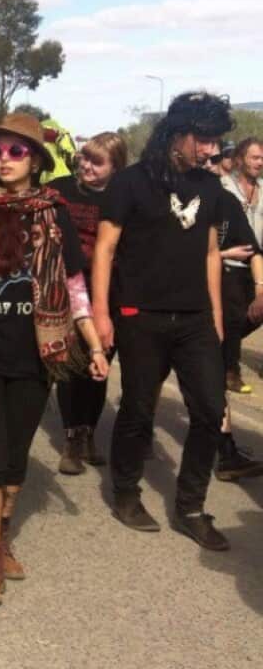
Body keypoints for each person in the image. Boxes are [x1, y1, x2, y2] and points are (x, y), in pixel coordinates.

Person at [0, 113, 109, 605]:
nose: (5, 160)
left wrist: (94, 346)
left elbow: (75, 288)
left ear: (35, 159)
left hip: (38, 354)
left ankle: (3, 533)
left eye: (16, 152)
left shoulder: (55, 219)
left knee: (15, 457)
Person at [92, 92, 235, 550]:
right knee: (138, 410)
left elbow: (212, 253)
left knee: (211, 411)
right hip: (140, 314)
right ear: (177, 134)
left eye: (215, 141)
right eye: (203, 139)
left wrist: (215, 317)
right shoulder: (131, 183)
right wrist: (100, 313)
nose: (210, 149)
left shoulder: (211, 187)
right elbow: (104, 249)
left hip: (195, 319)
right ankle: (127, 492)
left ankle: (191, 506)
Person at [48, 132, 125, 475]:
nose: (86, 165)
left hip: (110, 293)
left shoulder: (124, 196)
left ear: (116, 166)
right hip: (67, 290)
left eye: (97, 161)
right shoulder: (62, 190)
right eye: (84, 158)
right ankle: (70, 438)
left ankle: (88, 431)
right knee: (70, 365)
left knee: (98, 366)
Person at [220, 138, 263, 393]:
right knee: (234, 313)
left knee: (254, 313)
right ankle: (230, 370)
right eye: (254, 157)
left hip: (257, 262)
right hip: (229, 261)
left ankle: (222, 347)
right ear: (239, 159)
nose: (260, 162)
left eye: (261, 158)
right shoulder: (224, 188)